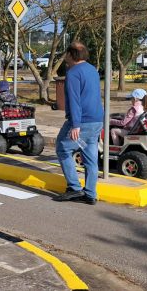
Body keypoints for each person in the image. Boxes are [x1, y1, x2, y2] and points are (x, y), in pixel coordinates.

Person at [54, 42, 104, 205]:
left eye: (67, 53)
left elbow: (75, 100)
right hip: (97, 121)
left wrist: (75, 125)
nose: (65, 56)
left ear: (72, 55)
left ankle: (74, 188)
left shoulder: (73, 72)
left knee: (62, 148)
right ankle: (90, 193)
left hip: (81, 121)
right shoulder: (92, 70)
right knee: (90, 156)